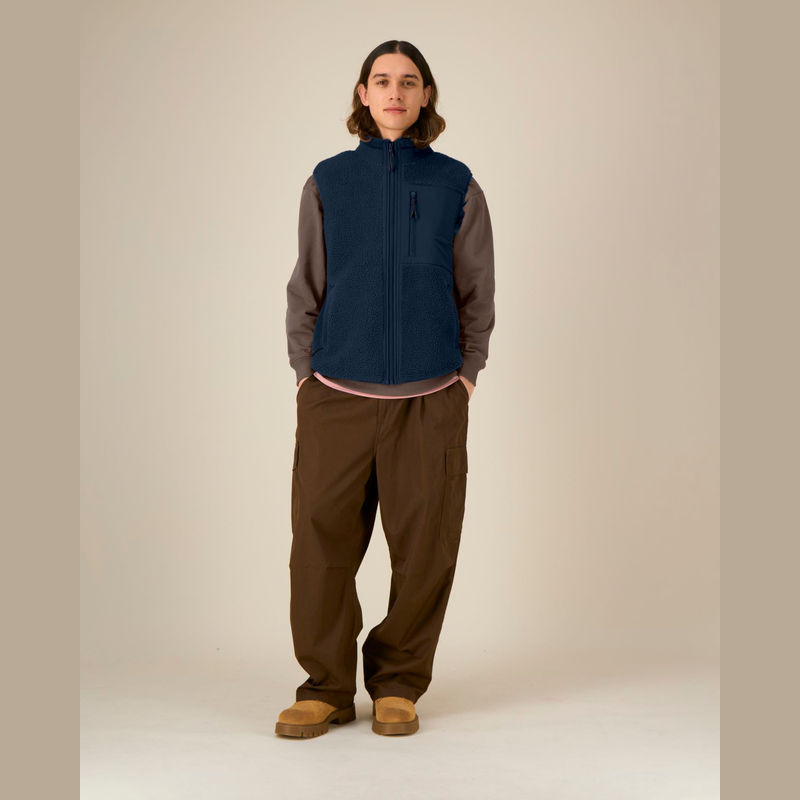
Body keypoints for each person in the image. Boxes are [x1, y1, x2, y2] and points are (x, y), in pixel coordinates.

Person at [275, 40, 495, 738]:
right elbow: (307, 282)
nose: (395, 92)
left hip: (431, 400)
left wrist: (466, 374)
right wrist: (306, 372)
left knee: (427, 548)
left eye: (408, 81)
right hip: (335, 394)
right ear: (363, 95)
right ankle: (326, 688)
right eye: (382, 80)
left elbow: (477, 289)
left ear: (425, 96)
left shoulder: (457, 184)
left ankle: (399, 682)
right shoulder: (328, 181)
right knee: (320, 548)